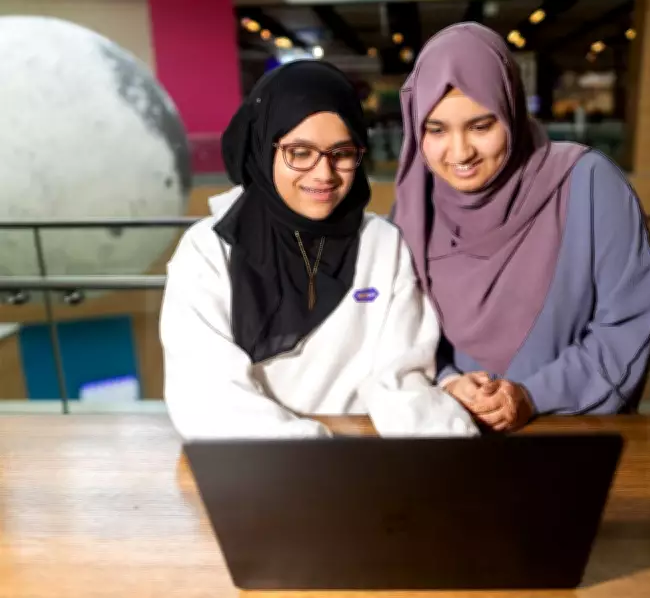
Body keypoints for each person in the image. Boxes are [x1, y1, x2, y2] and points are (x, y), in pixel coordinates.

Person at [160, 60, 477, 439]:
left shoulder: (382, 243)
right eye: (299, 152)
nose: (324, 174)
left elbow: (400, 380)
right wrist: (315, 452)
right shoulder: (208, 251)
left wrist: (455, 449)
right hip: (258, 459)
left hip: (362, 453)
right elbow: (208, 396)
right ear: (262, 147)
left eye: (341, 153)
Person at [392, 23, 650, 431]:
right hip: (449, 437)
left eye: (481, 126)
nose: (460, 152)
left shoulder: (587, 183)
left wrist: (533, 396)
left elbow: (626, 324)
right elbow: (400, 333)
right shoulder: (413, 208)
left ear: (511, 111)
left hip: (564, 434)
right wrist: (446, 382)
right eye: (436, 129)